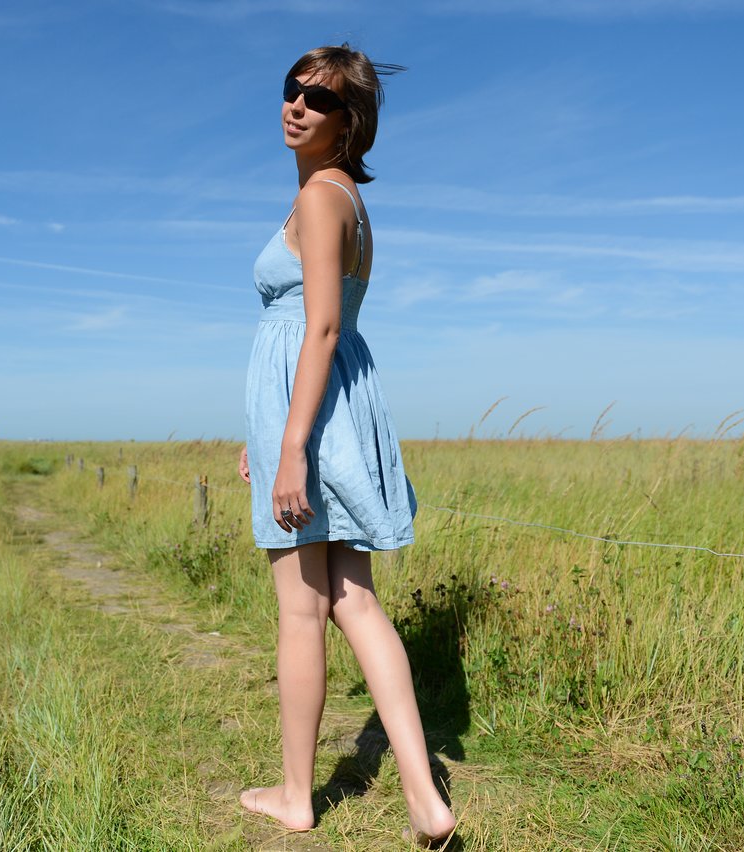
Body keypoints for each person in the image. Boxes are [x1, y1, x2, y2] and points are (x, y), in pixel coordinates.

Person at [236, 44, 458, 847]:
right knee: (353, 601)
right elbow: (318, 329)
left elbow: (320, 327)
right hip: (322, 411)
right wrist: (267, 437)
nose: (296, 105)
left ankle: (298, 797)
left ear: (349, 124)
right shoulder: (341, 201)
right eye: (290, 90)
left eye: (317, 99)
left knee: (303, 609)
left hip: (315, 418)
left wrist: (291, 446)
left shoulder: (324, 199)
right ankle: (424, 797)